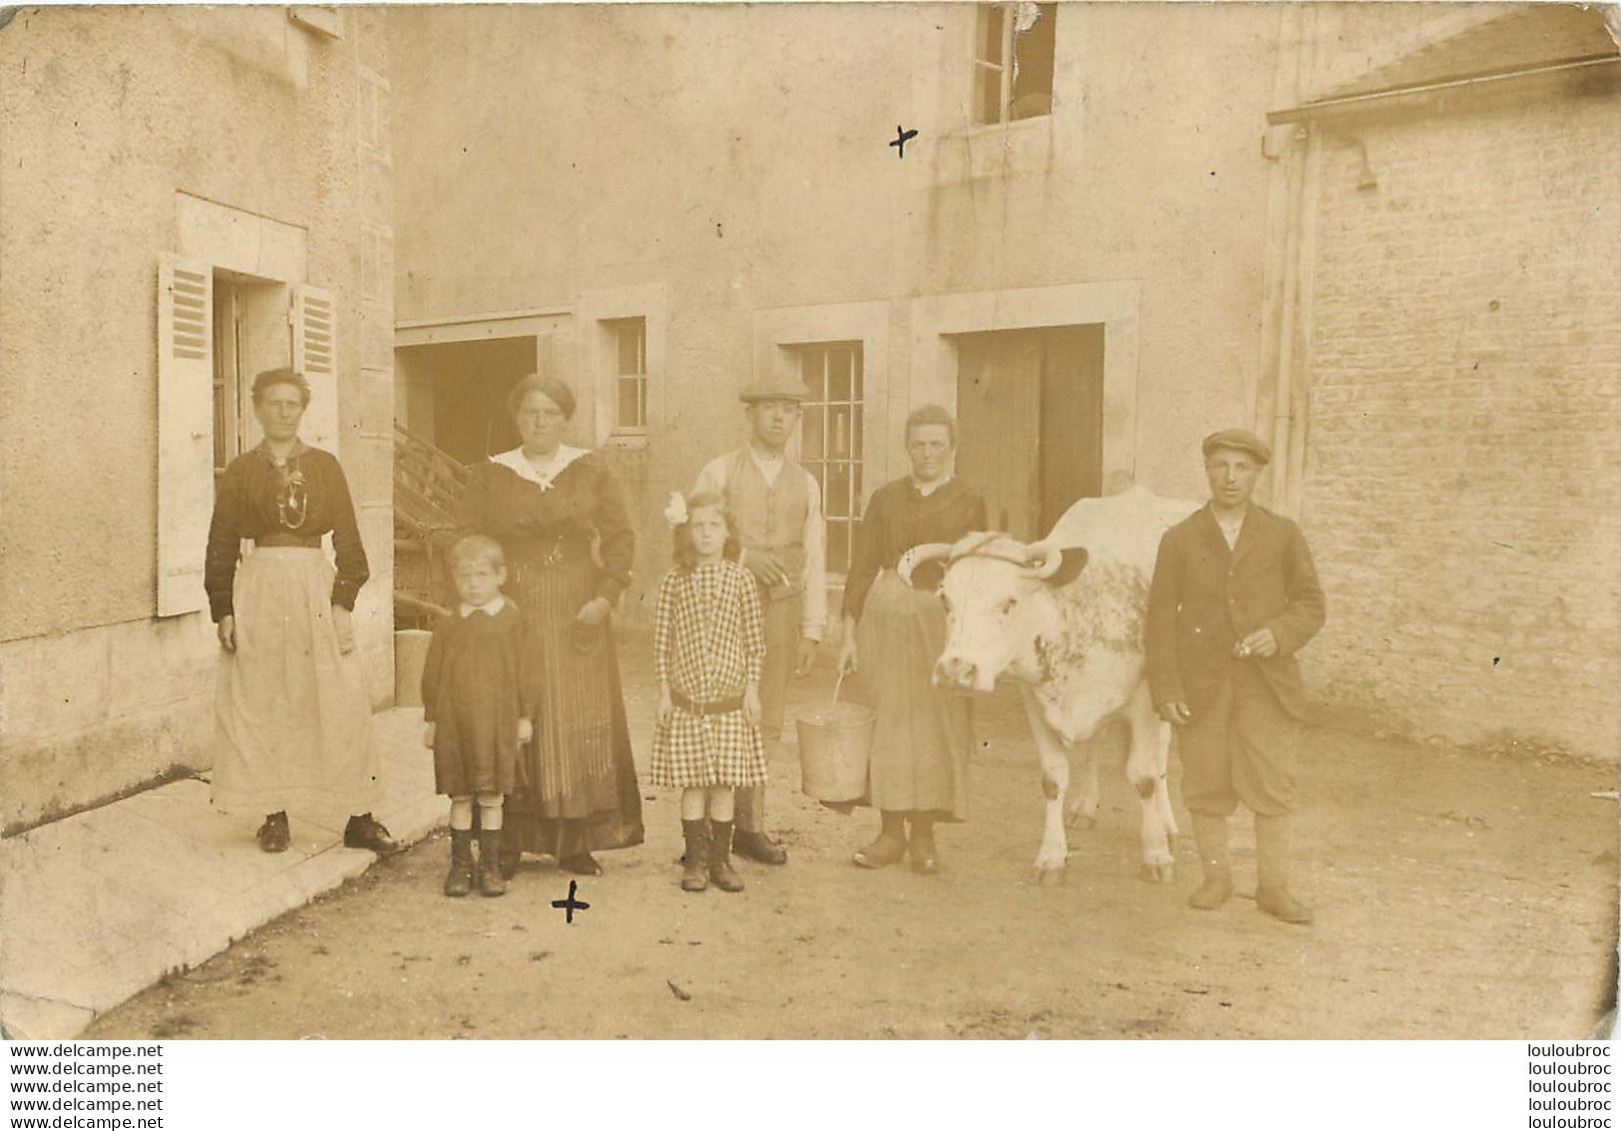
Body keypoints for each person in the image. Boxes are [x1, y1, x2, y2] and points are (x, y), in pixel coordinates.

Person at [455, 373, 643, 877]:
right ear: (516, 418)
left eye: (550, 413)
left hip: (576, 608)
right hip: (511, 607)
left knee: (576, 718)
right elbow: (467, 538)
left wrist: (606, 597)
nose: (539, 422)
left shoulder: (589, 470)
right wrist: (485, 597)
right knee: (515, 713)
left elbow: (620, 536)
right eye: (530, 413)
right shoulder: (491, 474)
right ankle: (509, 838)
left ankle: (576, 842)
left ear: (565, 418)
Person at [205, 367, 398, 856]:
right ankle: (274, 816)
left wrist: (340, 605)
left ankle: (359, 815)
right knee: (266, 700)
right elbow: (222, 543)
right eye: (274, 403)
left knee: (341, 699)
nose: (284, 412)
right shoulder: (241, 472)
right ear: (257, 408)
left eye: (292, 403)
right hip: (261, 589)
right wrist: (223, 610)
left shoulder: (325, 467)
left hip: (315, 587)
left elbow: (351, 545)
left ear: (303, 409)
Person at [1145, 428, 1326, 925]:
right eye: (1221, 466)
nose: (1230, 477)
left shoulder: (1282, 535)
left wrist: (1279, 634)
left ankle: (1274, 887)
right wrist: (1166, 688)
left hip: (1267, 685)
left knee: (1273, 782)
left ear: (1257, 473)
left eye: (1241, 468)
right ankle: (1216, 877)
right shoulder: (1180, 539)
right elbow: (1159, 618)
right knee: (1205, 782)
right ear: (1207, 470)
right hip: (1201, 686)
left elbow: (1311, 604)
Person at [837, 404, 987, 875]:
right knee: (890, 726)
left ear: (952, 448)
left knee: (933, 727)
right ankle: (890, 833)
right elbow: (861, 566)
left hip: (941, 625)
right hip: (885, 621)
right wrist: (848, 632)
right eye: (918, 444)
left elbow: (979, 572)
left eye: (936, 444)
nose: (926, 453)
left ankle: (923, 836)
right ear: (906, 447)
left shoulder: (968, 499)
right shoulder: (884, 499)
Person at [689, 375, 826, 866]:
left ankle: (750, 826)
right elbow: (689, 536)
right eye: (769, 408)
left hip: (781, 613)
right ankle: (703, 831)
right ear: (750, 414)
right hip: (722, 608)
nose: (778, 418)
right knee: (714, 711)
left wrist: (813, 627)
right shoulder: (720, 472)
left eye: (788, 409)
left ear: (796, 418)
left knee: (765, 718)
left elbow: (813, 555)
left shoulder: (806, 482)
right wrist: (743, 556)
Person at [650, 491, 768, 894]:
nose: (705, 534)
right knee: (694, 785)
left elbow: (754, 642)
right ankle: (695, 861)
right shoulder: (674, 581)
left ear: (727, 532)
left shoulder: (741, 579)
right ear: (686, 532)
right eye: (697, 526)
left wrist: (752, 691)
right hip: (688, 705)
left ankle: (721, 861)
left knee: (723, 786)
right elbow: (662, 642)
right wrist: (665, 692)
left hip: (729, 705)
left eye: (714, 526)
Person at [421, 535, 532, 898]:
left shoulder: (512, 620)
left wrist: (524, 716)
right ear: (455, 579)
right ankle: (460, 865)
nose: (473, 583)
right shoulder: (450, 623)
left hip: (497, 722)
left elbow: (526, 673)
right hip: (456, 724)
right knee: (461, 795)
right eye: (465, 576)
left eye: (481, 575)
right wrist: (432, 720)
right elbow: (433, 674)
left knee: (491, 795)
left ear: (500, 576)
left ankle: (490, 865)